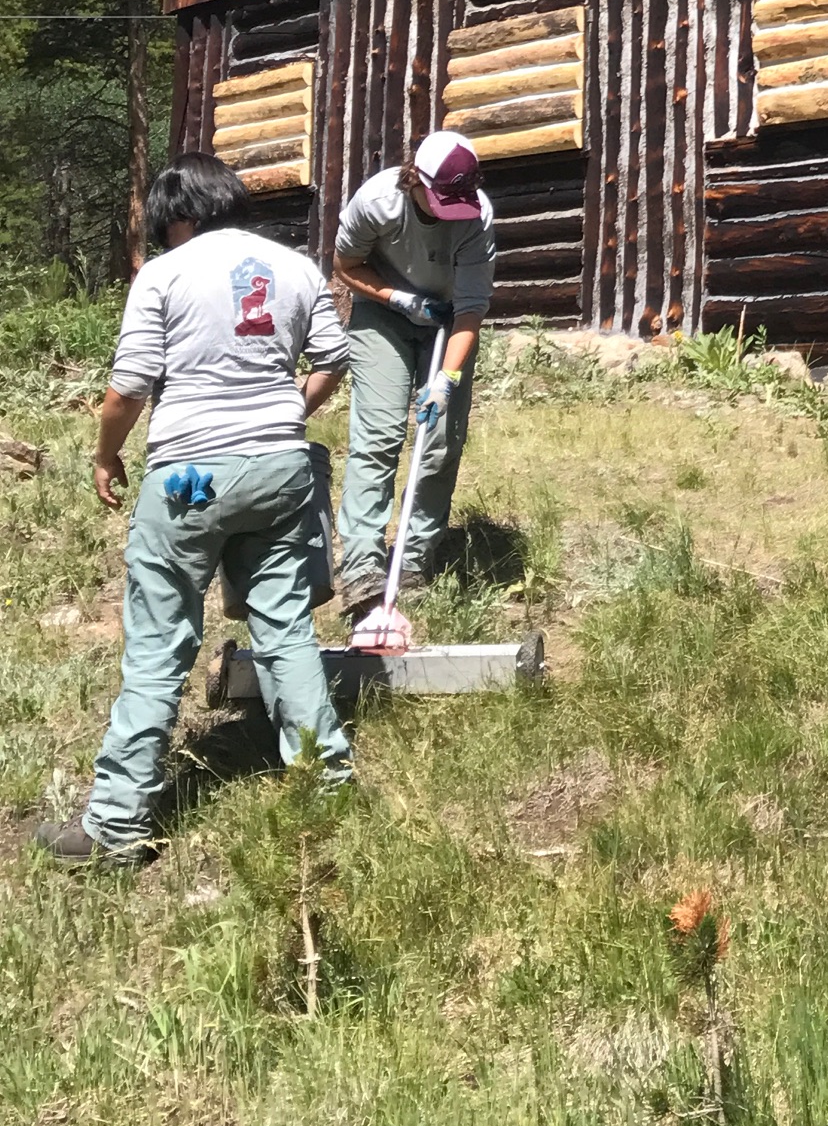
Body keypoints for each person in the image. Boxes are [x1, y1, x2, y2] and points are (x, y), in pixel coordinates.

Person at [37, 154, 353, 866]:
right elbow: (333, 357)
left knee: (158, 645)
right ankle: (327, 784)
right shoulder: (295, 267)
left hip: (190, 478)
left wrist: (105, 454)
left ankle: (116, 827)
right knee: (286, 627)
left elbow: (127, 391)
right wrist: (284, 415)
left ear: (179, 215)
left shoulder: (166, 274)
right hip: (279, 469)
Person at [332, 129, 495, 621]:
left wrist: (444, 380)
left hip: (449, 325)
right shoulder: (378, 203)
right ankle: (361, 565)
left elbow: (471, 310)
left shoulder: (477, 215)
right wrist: (396, 298)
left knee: (440, 441)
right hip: (384, 316)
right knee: (378, 435)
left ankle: (413, 559)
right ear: (415, 179)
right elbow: (345, 263)